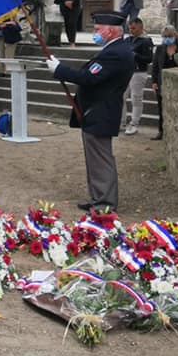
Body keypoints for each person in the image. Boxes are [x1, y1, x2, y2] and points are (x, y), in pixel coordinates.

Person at [46, 11, 135, 212]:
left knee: (101, 160)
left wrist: (59, 69)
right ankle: (98, 198)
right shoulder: (115, 49)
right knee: (95, 160)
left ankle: (105, 203)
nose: (94, 33)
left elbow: (88, 77)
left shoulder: (115, 53)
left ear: (111, 31)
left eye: (97, 30)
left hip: (100, 112)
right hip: (96, 112)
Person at [150, 24, 178, 141]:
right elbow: (155, 66)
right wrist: (154, 81)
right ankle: (161, 131)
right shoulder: (160, 49)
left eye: (169, 36)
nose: (167, 38)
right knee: (161, 108)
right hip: (162, 83)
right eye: (165, 36)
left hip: (177, 85)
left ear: (175, 35)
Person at [120, 17, 154, 135]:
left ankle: (134, 123)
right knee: (121, 97)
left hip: (138, 72)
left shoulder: (146, 41)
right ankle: (122, 122)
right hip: (126, 72)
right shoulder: (127, 40)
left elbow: (149, 59)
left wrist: (135, 55)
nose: (131, 30)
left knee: (136, 98)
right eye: (130, 28)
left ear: (140, 27)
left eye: (134, 28)